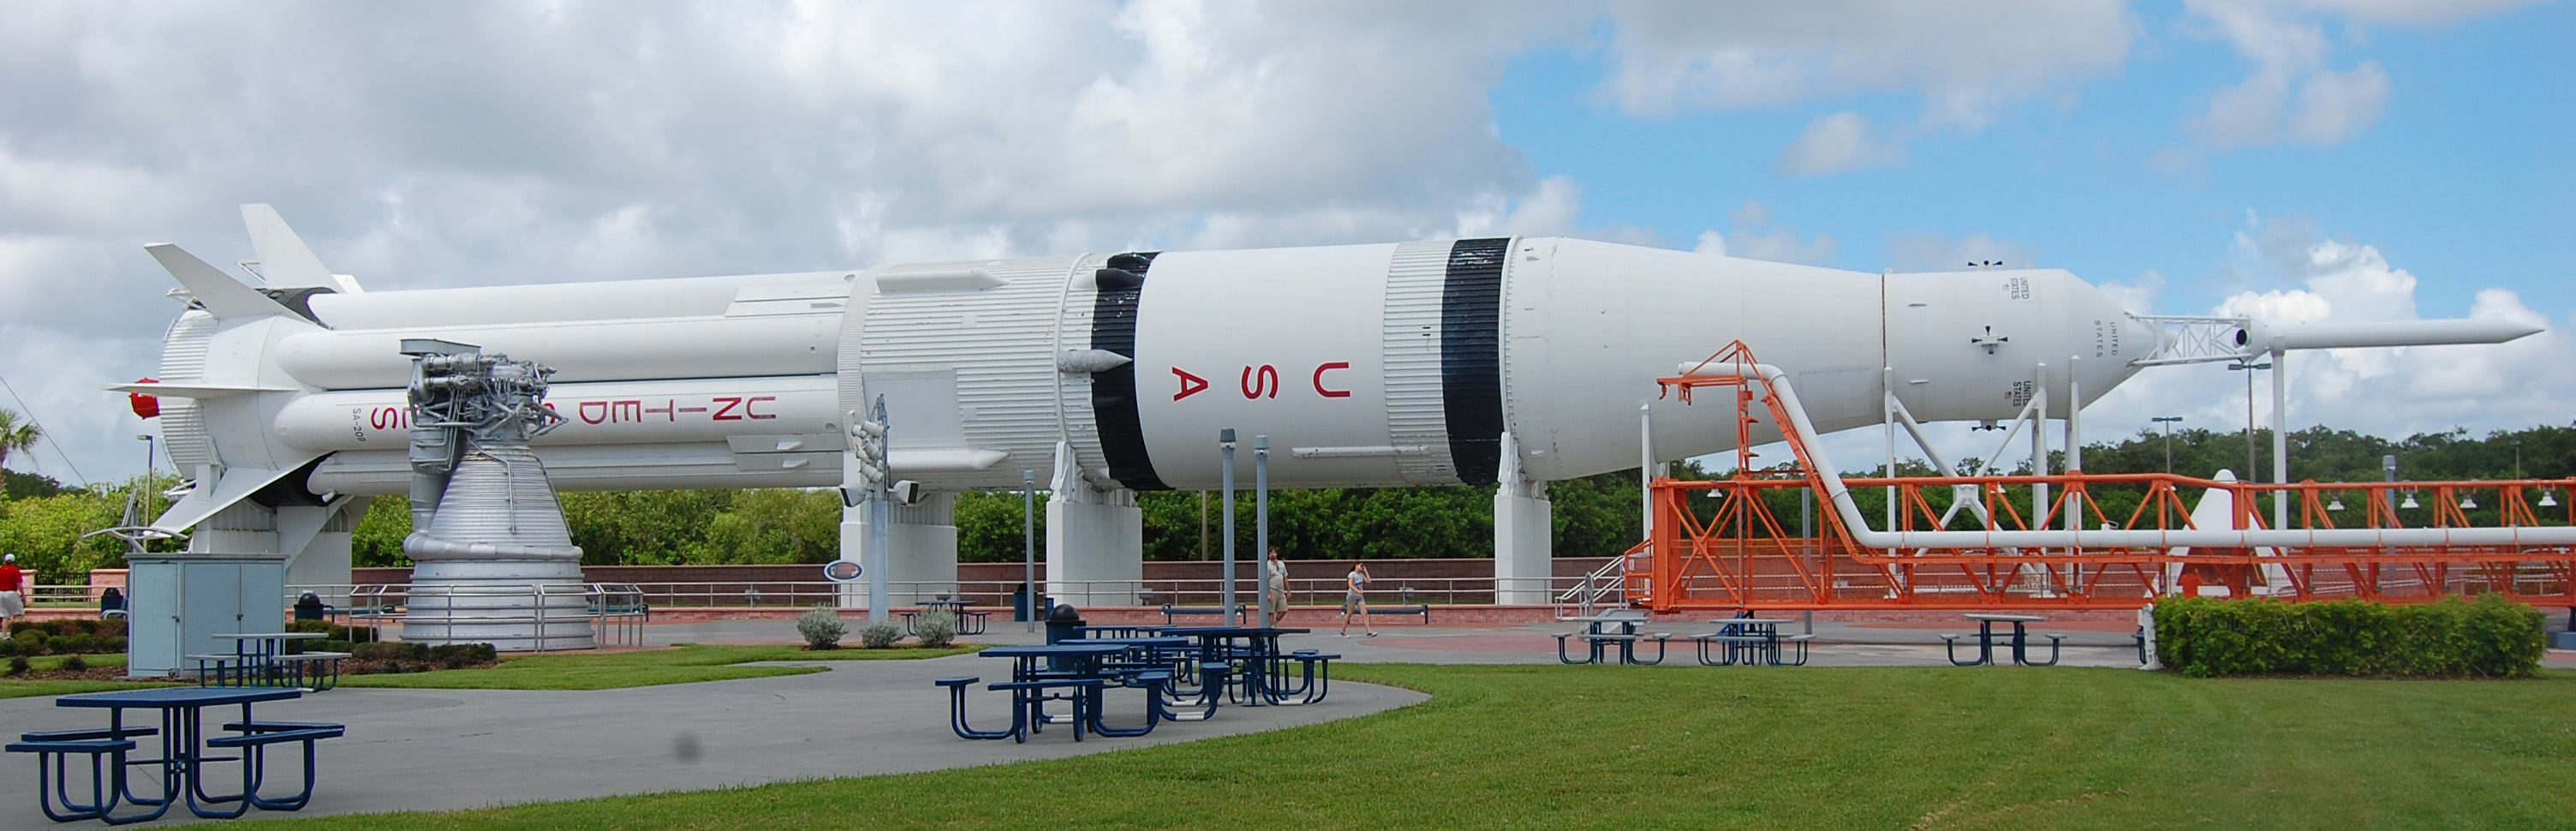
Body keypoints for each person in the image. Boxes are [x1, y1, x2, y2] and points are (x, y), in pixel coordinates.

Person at [1339, 561, 1376, 637]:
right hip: (1352, 595)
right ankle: (1343, 630)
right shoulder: (1352, 574)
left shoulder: (1361, 575)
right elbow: (1350, 585)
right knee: (1349, 613)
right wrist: (1357, 591)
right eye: (1360, 565)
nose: (1361, 567)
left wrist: (1366, 571)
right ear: (1356, 565)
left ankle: (1369, 631)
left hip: (1360, 597)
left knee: (1364, 613)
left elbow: (1369, 581)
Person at [1264, 549, 1290, 626]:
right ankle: (1271, 627)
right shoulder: (1268, 565)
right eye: (1270, 553)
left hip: (1281, 591)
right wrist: (1268, 593)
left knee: (1284, 609)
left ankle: (1275, 623)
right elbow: (1266, 580)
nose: (1272, 554)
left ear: (1276, 554)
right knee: (1271, 611)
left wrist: (1288, 591)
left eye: (1273, 552)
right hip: (1272, 589)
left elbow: (1285, 577)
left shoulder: (1281, 564)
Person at [0, 553, 22, 637]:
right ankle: (14, 632)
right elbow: (19, 585)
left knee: (5, 616)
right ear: (13, 561)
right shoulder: (15, 570)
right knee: (19, 614)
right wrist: (23, 595)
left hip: (1, 593)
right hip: (11, 593)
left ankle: (4, 636)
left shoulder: (1, 570)